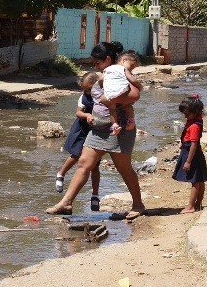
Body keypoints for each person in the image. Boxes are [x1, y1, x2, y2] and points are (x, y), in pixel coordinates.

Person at [46, 42, 146, 220]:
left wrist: (111, 99)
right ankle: (66, 203)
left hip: (118, 130)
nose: (95, 66)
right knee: (84, 163)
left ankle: (138, 205)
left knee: (124, 169)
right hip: (99, 129)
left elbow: (135, 94)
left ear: (108, 59)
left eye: (97, 62)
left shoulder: (118, 74)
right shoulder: (103, 75)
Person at [55, 71, 102, 211]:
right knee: (75, 155)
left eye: (89, 89)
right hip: (82, 130)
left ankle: (95, 195)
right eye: (85, 89)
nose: (87, 91)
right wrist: (87, 114)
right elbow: (78, 112)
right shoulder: (84, 97)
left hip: (96, 132)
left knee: (95, 166)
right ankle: (61, 173)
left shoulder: (103, 95)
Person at [172, 95, 207, 213]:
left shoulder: (194, 126)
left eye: (187, 114)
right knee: (199, 179)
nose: (185, 116)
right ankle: (198, 203)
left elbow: (193, 144)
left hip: (191, 153)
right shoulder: (196, 120)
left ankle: (191, 206)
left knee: (195, 180)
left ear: (195, 112)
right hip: (193, 152)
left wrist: (188, 161)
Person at [100, 50, 142, 135]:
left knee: (112, 109)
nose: (131, 69)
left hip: (110, 95)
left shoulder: (107, 69)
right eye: (132, 66)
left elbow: (101, 80)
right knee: (128, 106)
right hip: (122, 92)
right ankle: (131, 121)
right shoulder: (123, 68)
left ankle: (114, 125)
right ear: (124, 60)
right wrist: (140, 87)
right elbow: (132, 80)